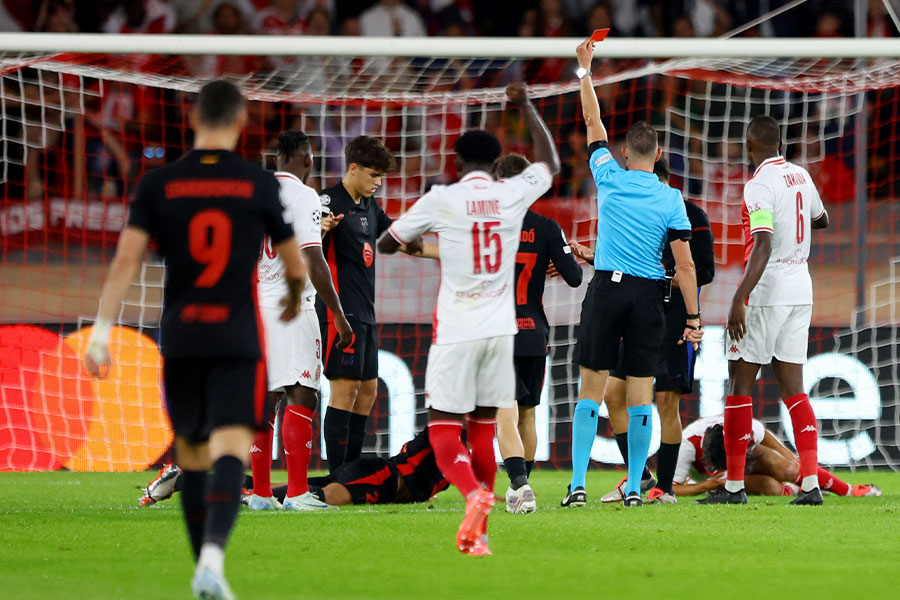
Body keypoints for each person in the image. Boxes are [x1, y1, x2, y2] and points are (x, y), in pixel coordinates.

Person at [84, 80, 305, 600]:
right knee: (231, 449)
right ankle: (211, 561)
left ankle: (201, 564)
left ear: (191, 118)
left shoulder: (159, 183)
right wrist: (295, 297)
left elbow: (125, 261)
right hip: (237, 335)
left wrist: (100, 333)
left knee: (191, 452)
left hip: (182, 334)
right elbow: (294, 264)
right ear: (242, 122)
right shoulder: (257, 183)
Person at [378, 82, 560, 555]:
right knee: (484, 428)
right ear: (496, 162)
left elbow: (387, 243)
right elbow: (550, 164)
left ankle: (473, 494)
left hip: (456, 330)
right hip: (501, 331)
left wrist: (412, 242)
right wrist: (525, 106)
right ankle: (480, 532)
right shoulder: (512, 195)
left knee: (443, 427)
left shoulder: (441, 198)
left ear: (456, 162)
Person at [563, 36, 703, 509]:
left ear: (624, 153)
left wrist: (585, 70)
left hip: (607, 289)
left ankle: (577, 486)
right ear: (658, 155)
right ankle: (637, 492)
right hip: (648, 296)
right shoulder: (672, 198)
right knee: (642, 395)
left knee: (591, 391)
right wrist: (693, 319)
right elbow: (685, 264)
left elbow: (592, 122)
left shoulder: (608, 175)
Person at [567, 158, 715, 505]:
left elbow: (703, 271)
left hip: (673, 317)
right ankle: (641, 475)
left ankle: (665, 486)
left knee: (666, 400)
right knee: (613, 394)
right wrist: (596, 259)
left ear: (660, 182)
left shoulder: (690, 214)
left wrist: (662, 285)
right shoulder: (633, 209)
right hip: (639, 311)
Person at [697, 115, 829, 506]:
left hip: (768, 291)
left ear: (750, 146)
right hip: (801, 288)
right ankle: (811, 485)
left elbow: (764, 243)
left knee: (740, 385)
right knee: (794, 390)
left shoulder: (759, 185)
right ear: (780, 144)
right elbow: (821, 219)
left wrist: (740, 297)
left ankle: (734, 487)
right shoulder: (801, 175)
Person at [249, 130, 353, 512]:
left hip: (258, 305)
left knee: (265, 399)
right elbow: (312, 258)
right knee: (302, 393)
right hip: (292, 307)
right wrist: (339, 315)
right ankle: (296, 493)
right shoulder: (306, 195)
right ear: (307, 159)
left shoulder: (256, 191)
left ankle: (261, 495)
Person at [317, 136, 429, 476]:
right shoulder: (327, 202)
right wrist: (320, 229)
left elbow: (400, 241)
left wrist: (448, 252)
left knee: (367, 391)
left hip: (366, 312)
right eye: (373, 175)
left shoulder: (369, 205)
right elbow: (306, 247)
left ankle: (350, 471)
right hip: (339, 312)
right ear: (353, 168)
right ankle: (338, 476)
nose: (378, 182)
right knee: (345, 389)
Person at [492, 153, 583, 515]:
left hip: (496, 331)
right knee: (528, 413)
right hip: (533, 331)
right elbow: (574, 277)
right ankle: (521, 488)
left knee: (505, 411)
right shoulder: (547, 227)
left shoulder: (487, 225)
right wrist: (557, 259)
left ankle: (519, 484)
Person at [140, 429, 451, 508]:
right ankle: (249, 496)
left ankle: (185, 479)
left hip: (376, 478)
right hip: (381, 477)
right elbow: (419, 453)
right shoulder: (441, 435)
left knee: (272, 486)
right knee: (331, 496)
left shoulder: (453, 465)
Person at [671, 416, 882, 499]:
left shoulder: (749, 428)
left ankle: (847, 490)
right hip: (713, 480)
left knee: (788, 468)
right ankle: (795, 490)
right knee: (771, 487)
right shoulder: (687, 444)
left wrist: (803, 472)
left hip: (746, 461)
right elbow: (672, 489)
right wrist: (708, 485)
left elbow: (793, 461)